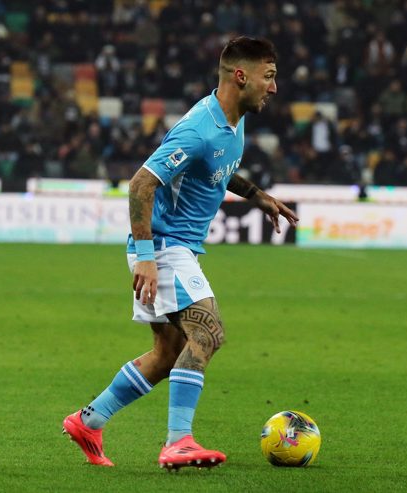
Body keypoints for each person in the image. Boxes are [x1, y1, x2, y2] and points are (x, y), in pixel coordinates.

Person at [62, 36, 298, 470]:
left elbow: (217, 168)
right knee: (208, 333)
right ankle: (178, 441)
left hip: (171, 247)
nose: (274, 87)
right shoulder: (198, 128)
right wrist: (149, 256)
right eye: (269, 77)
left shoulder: (232, 122)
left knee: (167, 355)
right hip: (166, 246)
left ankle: (88, 420)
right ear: (240, 76)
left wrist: (256, 195)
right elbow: (140, 184)